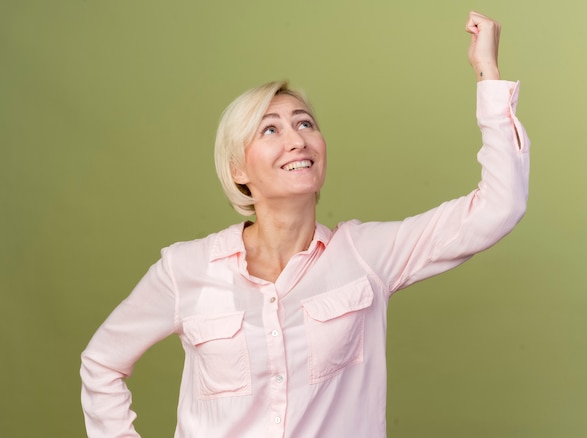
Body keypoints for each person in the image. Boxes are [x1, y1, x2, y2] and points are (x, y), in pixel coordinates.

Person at [80, 10, 529, 438]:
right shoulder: (186, 269)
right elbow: (102, 363)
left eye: (305, 123)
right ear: (238, 168)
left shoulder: (365, 256)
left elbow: (498, 208)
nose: (296, 140)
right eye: (270, 130)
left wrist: (487, 71)